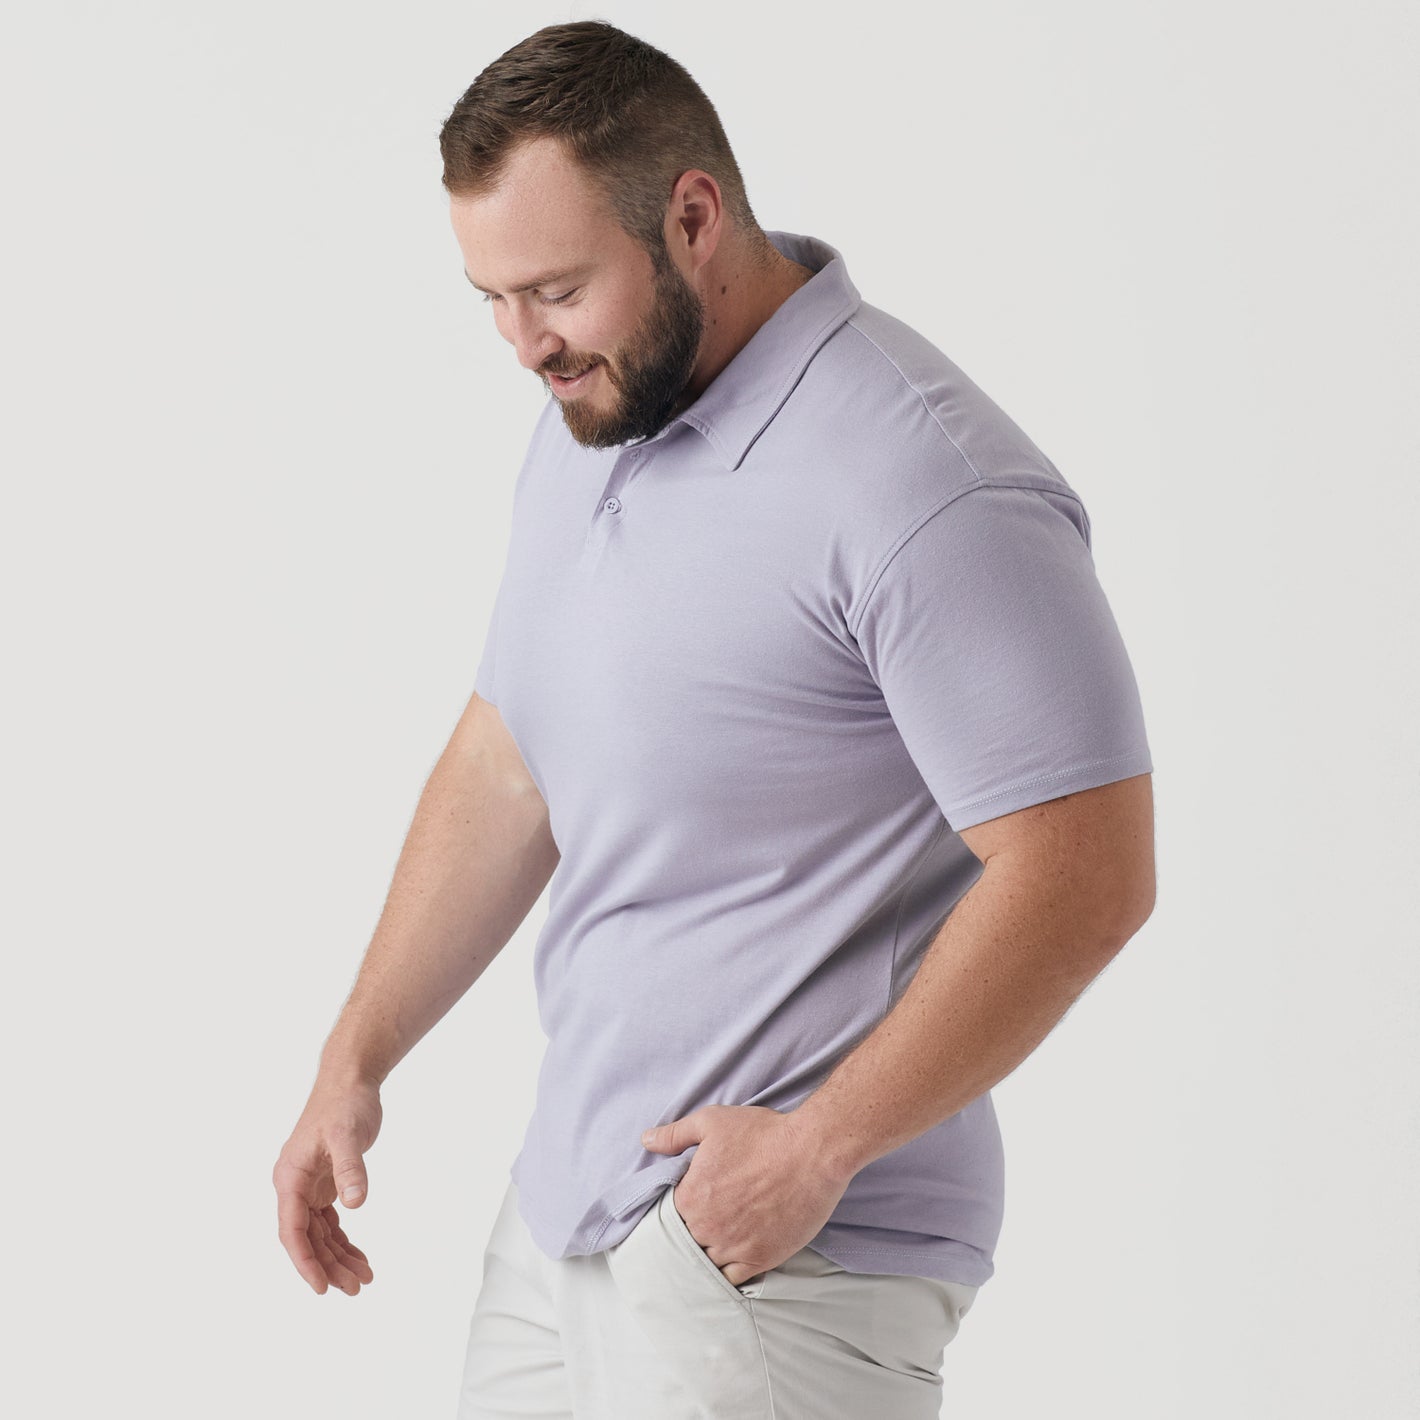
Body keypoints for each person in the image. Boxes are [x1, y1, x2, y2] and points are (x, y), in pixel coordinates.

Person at [272, 19, 1156, 1419]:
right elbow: (509, 761)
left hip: (782, 1257)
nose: (524, 345)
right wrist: (355, 1055)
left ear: (692, 218)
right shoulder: (598, 414)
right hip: (564, 1214)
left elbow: (1086, 873)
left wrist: (819, 1148)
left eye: (557, 289)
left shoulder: (924, 483)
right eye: (491, 298)